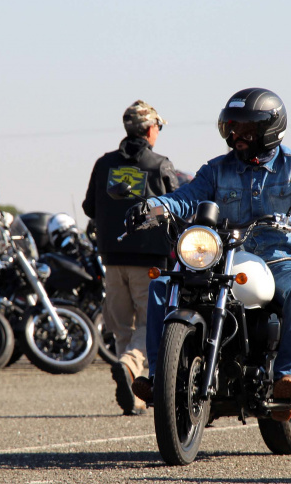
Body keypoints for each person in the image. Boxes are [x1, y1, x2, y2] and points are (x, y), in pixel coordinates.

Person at [128, 88, 291, 422]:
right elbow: (187, 196)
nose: (237, 136)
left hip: (282, 258)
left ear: (270, 129)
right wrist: (154, 207)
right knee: (163, 285)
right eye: (232, 128)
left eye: (247, 130)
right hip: (225, 255)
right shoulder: (217, 169)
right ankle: (158, 375)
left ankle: (289, 376)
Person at [83, 100, 179, 416]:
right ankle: (129, 365)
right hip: (150, 259)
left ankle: (135, 396)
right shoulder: (159, 165)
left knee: (123, 327)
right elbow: (178, 207)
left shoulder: (104, 163)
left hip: (111, 257)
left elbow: (89, 208)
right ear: (151, 130)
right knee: (152, 324)